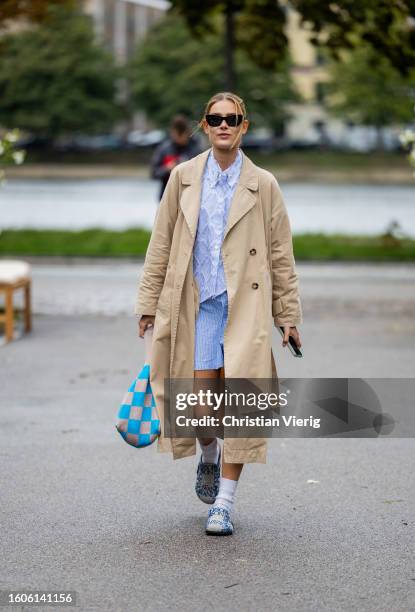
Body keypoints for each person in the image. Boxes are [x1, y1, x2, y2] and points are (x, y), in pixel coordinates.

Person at [136, 91, 302, 536]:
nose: (224, 125)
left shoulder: (263, 184)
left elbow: (281, 254)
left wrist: (287, 314)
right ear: (204, 125)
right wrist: (149, 303)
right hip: (198, 308)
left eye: (233, 118)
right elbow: (162, 244)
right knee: (202, 411)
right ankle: (207, 455)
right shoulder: (183, 178)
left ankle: (223, 504)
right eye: (216, 118)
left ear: (244, 126)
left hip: (244, 309)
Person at [150, 114, 201, 201]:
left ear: (187, 133)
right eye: (176, 134)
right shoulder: (164, 149)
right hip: (167, 197)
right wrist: (167, 169)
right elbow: (154, 173)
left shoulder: (195, 150)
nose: (178, 138)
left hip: (189, 198)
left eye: (181, 135)